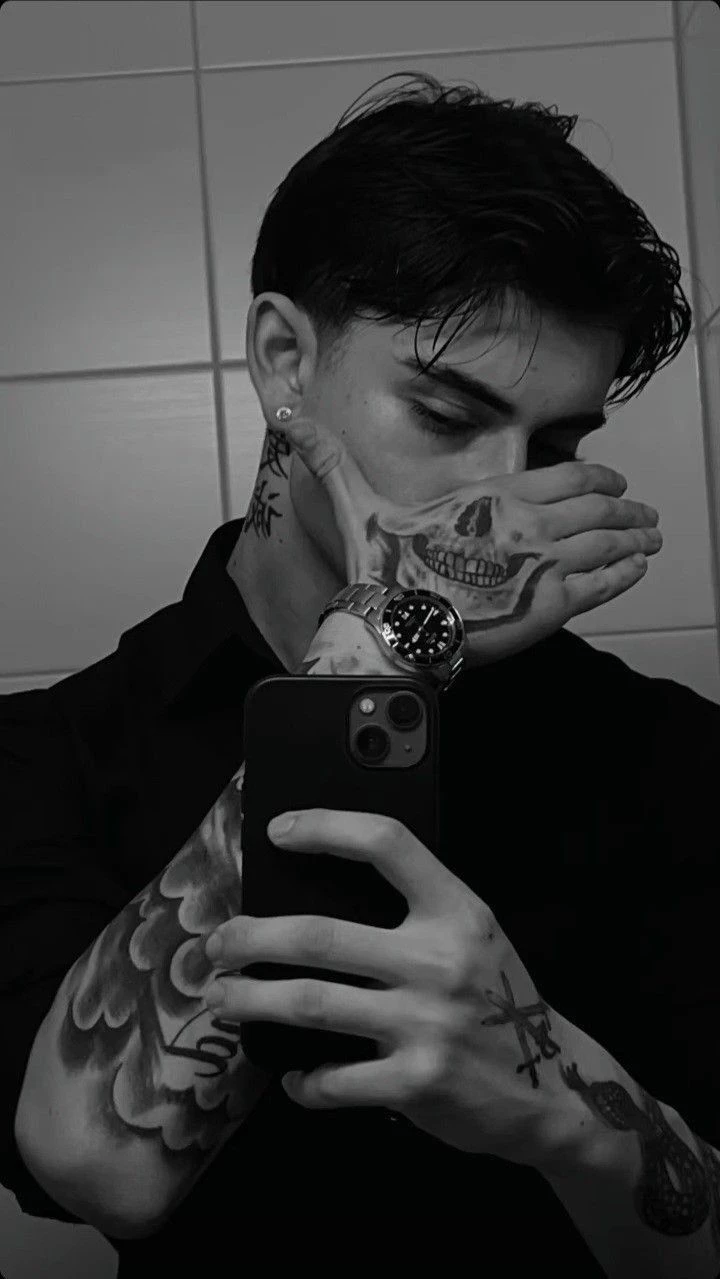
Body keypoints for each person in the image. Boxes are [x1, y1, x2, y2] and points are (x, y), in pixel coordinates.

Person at [2, 70, 719, 1278]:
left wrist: (562, 1109)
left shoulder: (667, 752)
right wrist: (385, 643)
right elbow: (93, 1164)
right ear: (286, 360)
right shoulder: (47, 756)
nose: (501, 496)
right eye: (445, 415)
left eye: (553, 444)